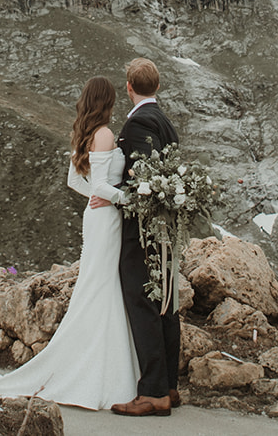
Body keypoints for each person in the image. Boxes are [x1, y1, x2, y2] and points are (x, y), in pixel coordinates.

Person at [0, 76, 139, 410]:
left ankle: (93, 363)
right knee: (101, 288)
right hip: (106, 220)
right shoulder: (105, 134)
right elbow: (98, 185)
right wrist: (126, 199)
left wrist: (99, 198)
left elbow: (76, 182)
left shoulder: (85, 132)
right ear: (107, 101)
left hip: (97, 217)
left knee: (95, 286)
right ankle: (99, 372)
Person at [101, 57, 182, 418]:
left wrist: (114, 193)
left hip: (144, 229)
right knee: (166, 301)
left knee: (143, 300)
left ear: (129, 87)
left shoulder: (139, 124)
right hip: (165, 228)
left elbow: (144, 178)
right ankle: (169, 385)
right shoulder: (165, 121)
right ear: (157, 86)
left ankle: (152, 391)